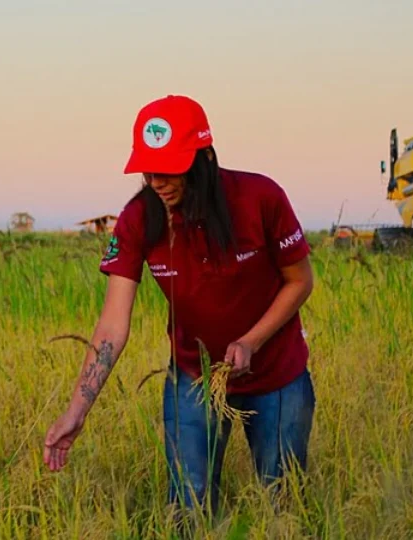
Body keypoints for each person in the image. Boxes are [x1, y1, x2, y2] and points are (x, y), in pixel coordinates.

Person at [42, 95, 316, 516]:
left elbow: (300, 282)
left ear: (205, 157)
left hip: (277, 376)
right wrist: (76, 412)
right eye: (149, 170)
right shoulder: (138, 219)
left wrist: (251, 341)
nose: (157, 181)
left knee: (282, 502)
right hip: (193, 378)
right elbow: (112, 326)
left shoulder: (261, 197)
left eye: (171, 169)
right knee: (188, 505)